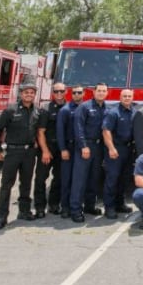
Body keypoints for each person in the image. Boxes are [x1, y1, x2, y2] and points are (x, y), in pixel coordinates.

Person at [0, 79, 40, 229]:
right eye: (26, 92)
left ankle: (24, 212)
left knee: (26, 184)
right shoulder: (10, 110)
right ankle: (1, 217)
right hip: (13, 152)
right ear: (21, 94)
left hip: (29, 153)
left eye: (32, 93)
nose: (29, 95)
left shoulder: (37, 111)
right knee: (6, 185)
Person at [70, 82, 109, 223]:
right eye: (99, 90)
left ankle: (90, 206)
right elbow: (78, 128)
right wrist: (83, 146)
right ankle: (75, 210)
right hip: (86, 147)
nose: (101, 93)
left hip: (98, 148)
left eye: (104, 91)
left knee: (94, 179)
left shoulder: (105, 108)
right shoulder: (84, 107)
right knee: (79, 180)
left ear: (107, 93)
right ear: (94, 92)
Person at [101, 89, 136, 219]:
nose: (127, 98)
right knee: (112, 178)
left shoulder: (134, 111)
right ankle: (109, 207)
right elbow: (106, 131)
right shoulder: (113, 112)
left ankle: (120, 204)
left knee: (124, 178)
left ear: (132, 98)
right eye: (125, 96)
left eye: (129, 96)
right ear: (120, 98)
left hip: (128, 149)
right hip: (115, 149)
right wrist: (111, 148)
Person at [34, 82, 66, 217]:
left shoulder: (69, 108)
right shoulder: (46, 109)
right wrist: (45, 151)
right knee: (41, 179)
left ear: (65, 92)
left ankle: (54, 205)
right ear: (52, 92)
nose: (59, 94)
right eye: (56, 91)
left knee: (58, 178)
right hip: (47, 148)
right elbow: (40, 132)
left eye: (61, 91)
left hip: (62, 149)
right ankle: (40, 207)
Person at [56, 84, 85, 218]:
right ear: (70, 94)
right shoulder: (65, 110)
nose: (77, 95)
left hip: (81, 149)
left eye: (79, 93)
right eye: (74, 93)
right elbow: (60, 132)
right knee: (66, 179)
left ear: (84, 94)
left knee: (78, 179)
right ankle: (65, 207)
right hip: (69, 148)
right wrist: (63, 149)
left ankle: (78, 204)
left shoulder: (85, 108)